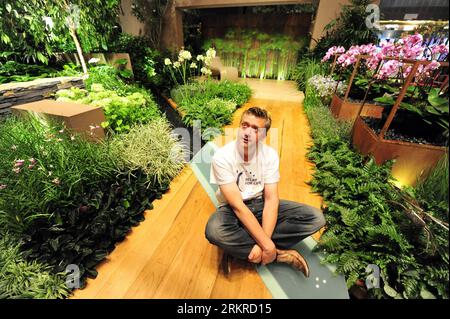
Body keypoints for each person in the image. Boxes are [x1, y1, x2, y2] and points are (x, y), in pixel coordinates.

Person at [205, 106, 326, 277]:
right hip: (232, 208)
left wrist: (265, 244)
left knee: (316, 218)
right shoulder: (222, 157)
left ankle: (240, 249)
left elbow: (271, 200)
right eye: (244, 125)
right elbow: (238, 206)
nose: (247, 132)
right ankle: (279, 255)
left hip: (260, 203)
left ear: (263, 135)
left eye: (255, 129)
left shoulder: (270, 155)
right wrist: (268, 247)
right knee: (215, 230)